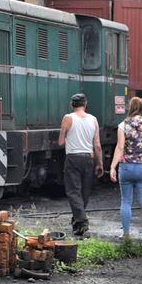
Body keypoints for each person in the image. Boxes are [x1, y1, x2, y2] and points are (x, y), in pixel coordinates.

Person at [108, 95, 142, 244]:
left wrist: (112, 166)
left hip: (127, 168)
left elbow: (120, 147)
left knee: (126, 202)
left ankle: (126, 234)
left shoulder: (124, 124)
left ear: (130, 108)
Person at [58, 92, 103, 238]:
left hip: (73, 158)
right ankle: (78, 225)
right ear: (85, 104)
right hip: (88, 158)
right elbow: (97, 145)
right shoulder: (93, 119)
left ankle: (82, 221)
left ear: (72, 104)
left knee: (73, 191)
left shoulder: (68, 118)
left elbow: (60, 142)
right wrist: (100, 163)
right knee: (84, 192)